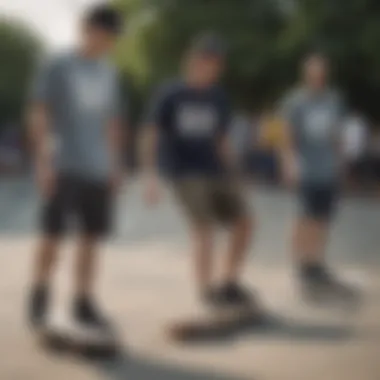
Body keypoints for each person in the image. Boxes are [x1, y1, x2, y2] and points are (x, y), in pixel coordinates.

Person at [27, 4, 124, 330]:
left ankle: (83, 300)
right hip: (63, 163)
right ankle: (40, 292)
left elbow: (111, 121)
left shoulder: (110, 73)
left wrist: (114, 164)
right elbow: (40, 111)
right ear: (85, 28)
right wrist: (42, 162)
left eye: (111, 37)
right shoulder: (59, 64)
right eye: (101, 32)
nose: (105, 41)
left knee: (91, 238)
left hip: (97, 167)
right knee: (53, 235)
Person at [143, 34, 256, 308]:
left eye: (217, 62)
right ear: (192, 61)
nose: (213, 67)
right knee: (204, 229)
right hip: (184, 172)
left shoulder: (218, 97)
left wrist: (237, 174)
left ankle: (229, 282)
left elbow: (222, 140)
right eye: (207, 60)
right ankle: (207, 291)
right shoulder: (171, 94)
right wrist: (150, 176)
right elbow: (151, 133)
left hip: (216, 169)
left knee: (245, 222)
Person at [280, 53, 355, 301]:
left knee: (323, 217)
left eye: (321, 73)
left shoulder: (333, 100)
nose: (317, 77)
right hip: (306, 167)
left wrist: (342, 164)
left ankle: (316, 262)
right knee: (305, 216)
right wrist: (290, 163)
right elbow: (287, 137)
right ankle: (300, 263)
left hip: (328, 167)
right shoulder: (295, 102)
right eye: (313, 73)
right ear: (306, 74)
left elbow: (337, 135)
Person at [342, 111, 368, 189]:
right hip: (348, 148)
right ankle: (349, 182)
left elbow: (363, 137)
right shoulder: (347, 124)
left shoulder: (360, 124)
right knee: (348, 166)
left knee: (355, 166)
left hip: (357, 148)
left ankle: (355, 182)